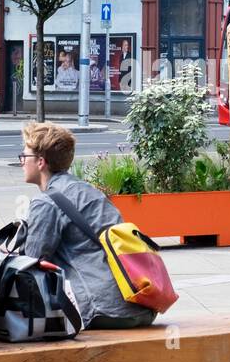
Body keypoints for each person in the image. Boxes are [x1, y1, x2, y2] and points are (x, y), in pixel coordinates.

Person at [20, 122, 156, 329]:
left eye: (24, 157)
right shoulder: (87, 190)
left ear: (40, 162)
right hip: (140, 306)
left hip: (102, 310)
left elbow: (31, 262)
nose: (21, 162)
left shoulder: (46, 202)